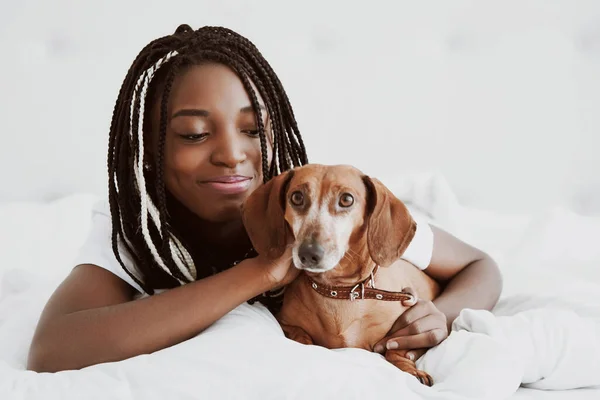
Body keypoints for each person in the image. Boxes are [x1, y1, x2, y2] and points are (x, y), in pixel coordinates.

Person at [27, 24, 502, 373]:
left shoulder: (320, 203)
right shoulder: (138, 225)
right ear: (150, 153)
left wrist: (444, 313)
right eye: (193, 134)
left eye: (252, 130)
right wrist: (261, 271)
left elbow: (481, 267)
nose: (232, 156)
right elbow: (52, 349)